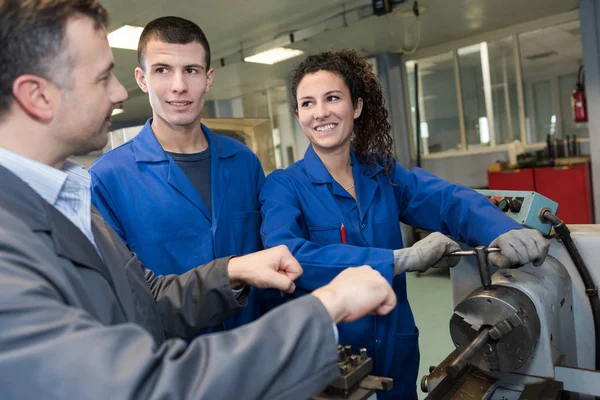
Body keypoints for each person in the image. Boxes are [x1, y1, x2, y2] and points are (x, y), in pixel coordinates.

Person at [0, 3, 398, 398]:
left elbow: (147, 298)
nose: (119, 92)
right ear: (36, 95)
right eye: (103, 77)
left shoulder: (71, 197)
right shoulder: (58, 208)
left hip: (252, 362)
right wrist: (324, 309)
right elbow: (138, 382)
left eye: (190, 70)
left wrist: (236, 269)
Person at [259, 49, 550, 399]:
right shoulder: (284, 185)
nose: (320, 112)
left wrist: (499, 229)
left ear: (356, 107)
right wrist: (396, 260)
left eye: (332, 98)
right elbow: (289, 255)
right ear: (297, 114)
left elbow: (446, 199)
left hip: (395, 340)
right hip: (332, 353)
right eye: (307, 103)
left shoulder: (381, 173)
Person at [89, 16, 272, 330]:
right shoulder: (108, 179)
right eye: (162, 70)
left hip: (254, 354)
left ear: (208, 78)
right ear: (142, 78)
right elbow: (123, 299)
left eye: (191, 70)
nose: (179, 86)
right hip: (173, 367)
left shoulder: (243, 162)